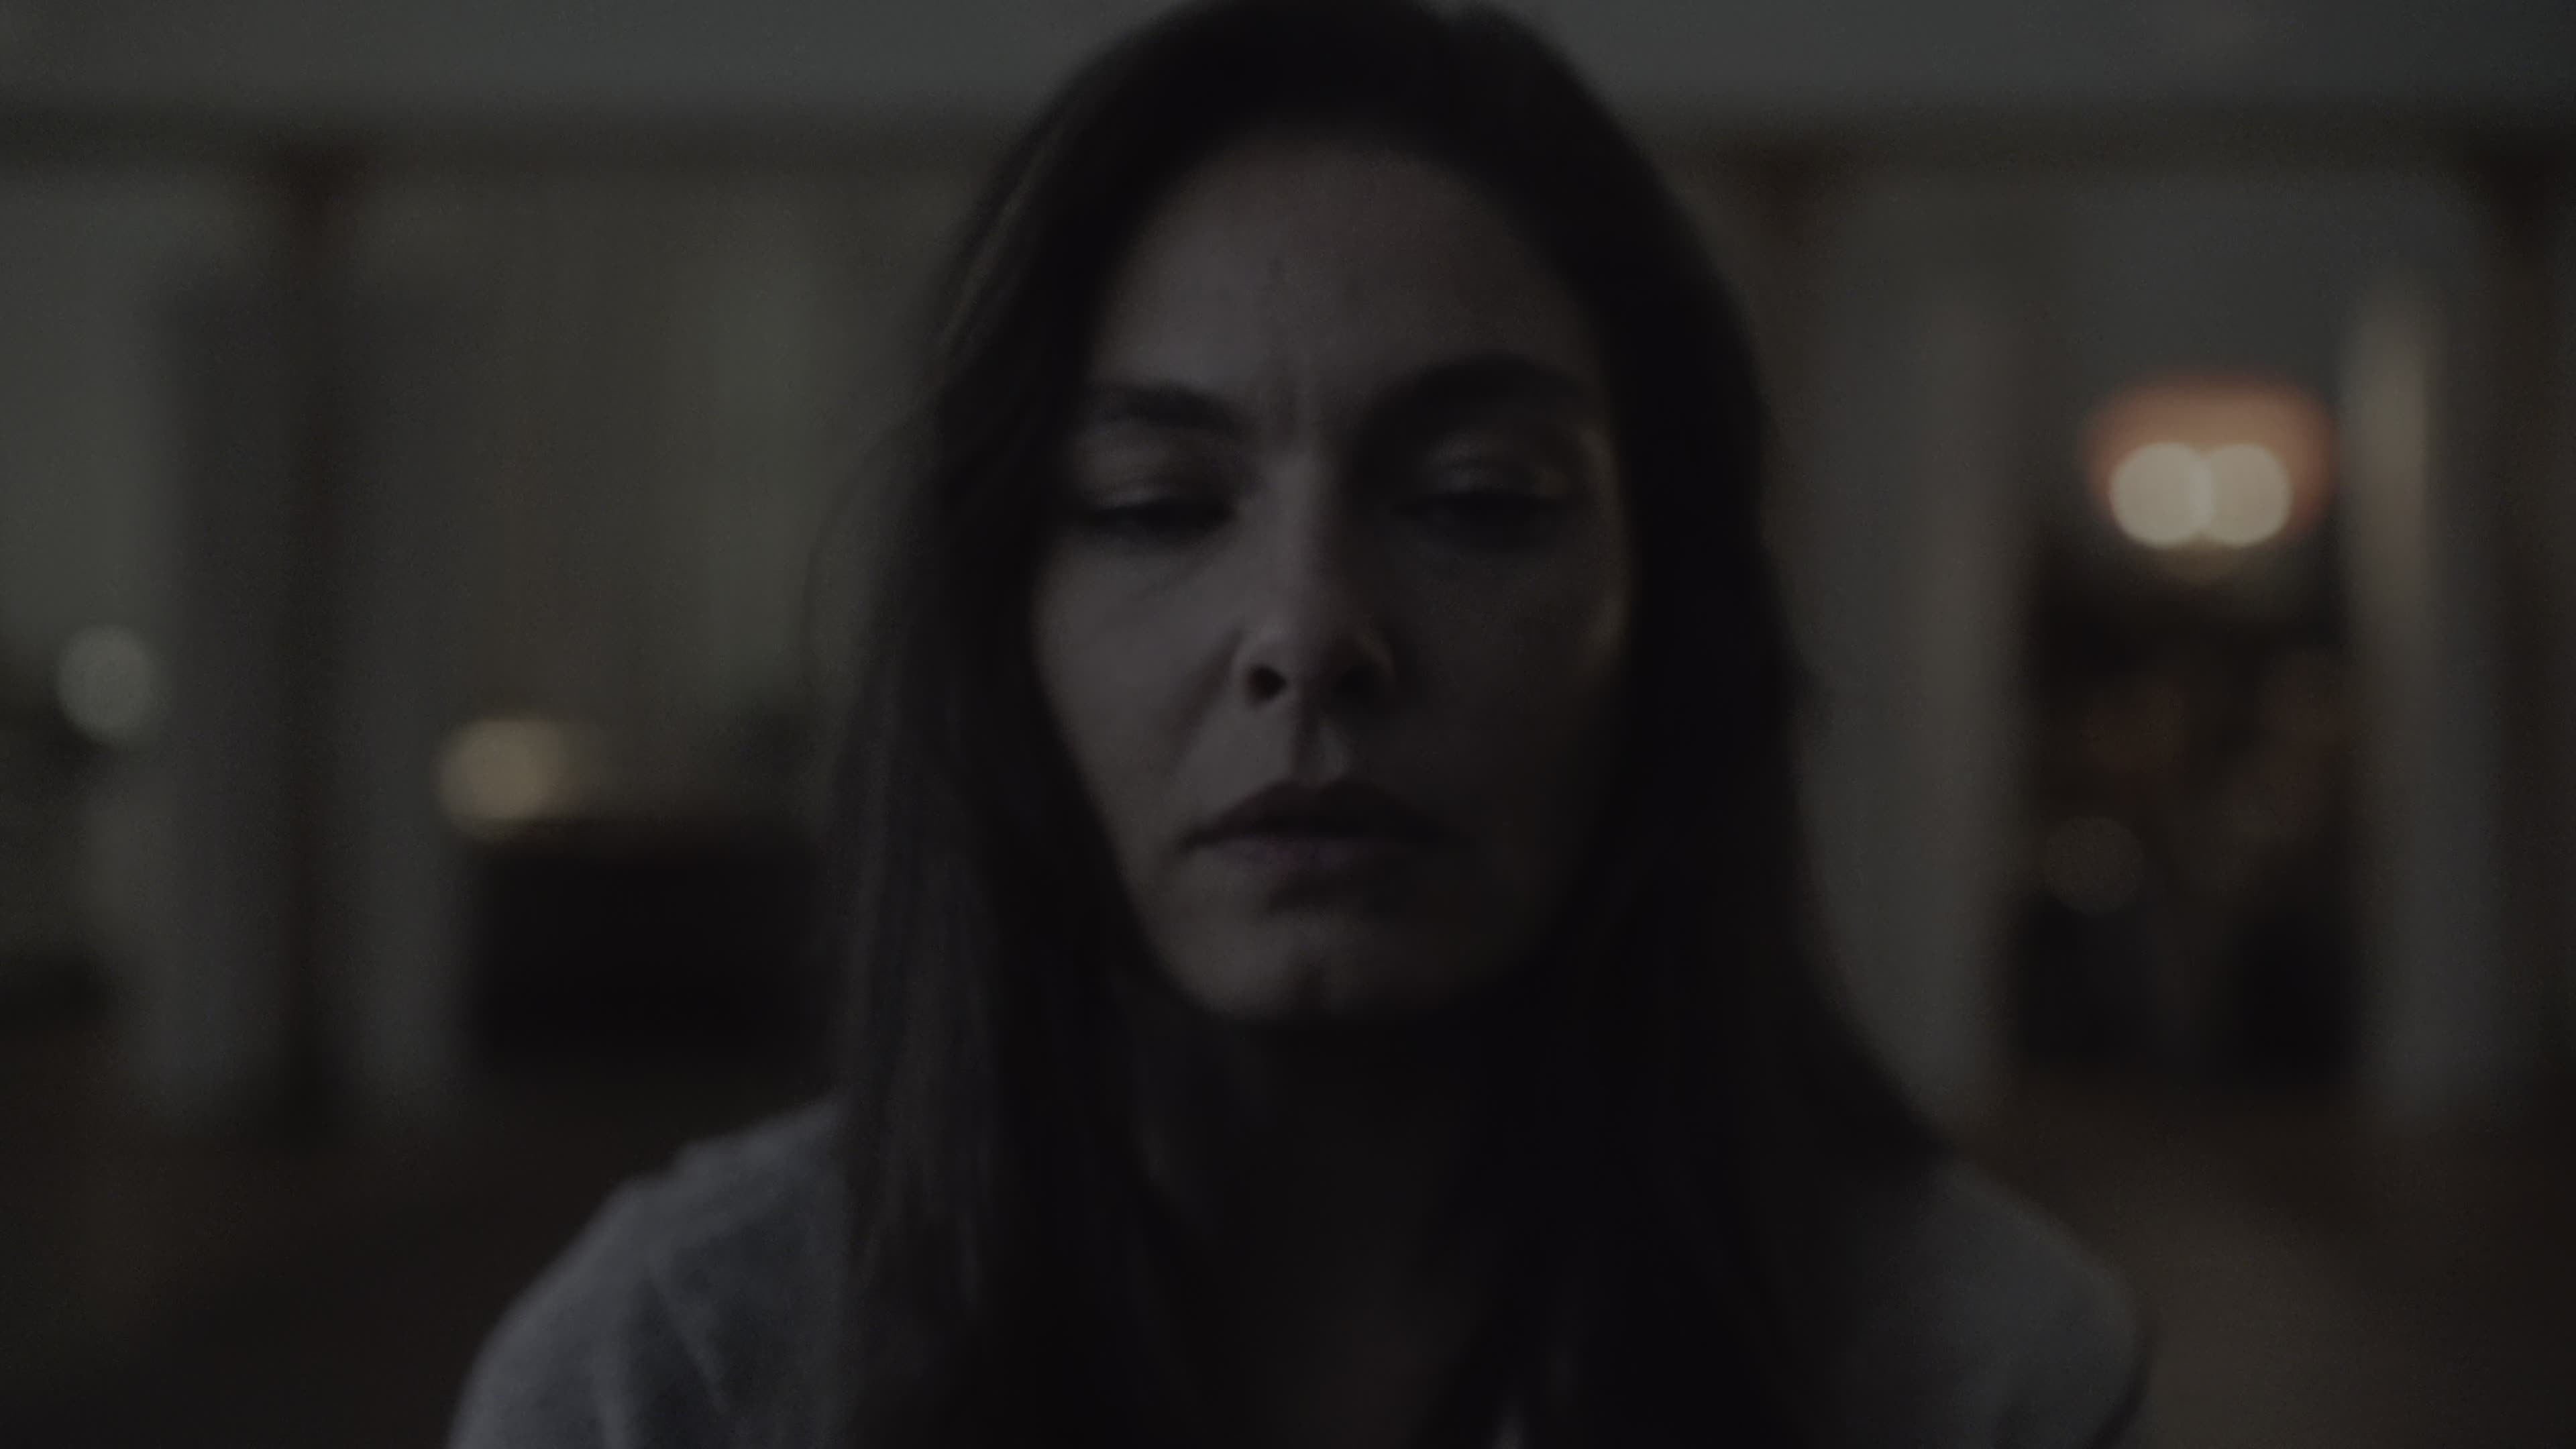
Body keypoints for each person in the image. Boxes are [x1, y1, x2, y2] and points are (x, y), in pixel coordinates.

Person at [449, 3, 2147, 1446]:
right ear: (996, 629)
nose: (1312, 633)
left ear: (1667, 611)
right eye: (1156, 504)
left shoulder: (1975, 1370)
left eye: (1478, 499)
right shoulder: (670, 1377)